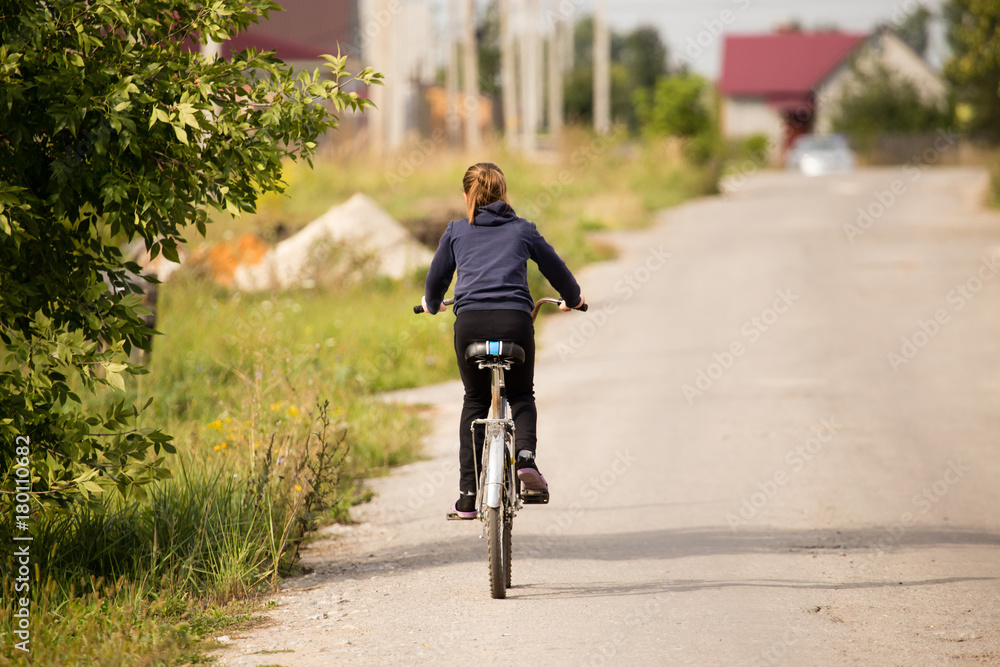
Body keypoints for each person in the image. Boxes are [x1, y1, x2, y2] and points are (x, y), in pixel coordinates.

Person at [420, 162, 585, 519]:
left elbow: (435, 284)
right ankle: (525, 457)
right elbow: (557, 270)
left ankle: (467, 494)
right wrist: (573, 298)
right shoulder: (523, 230)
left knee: (475, 399)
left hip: (471, 325)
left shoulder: (456, 232)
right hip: (515, 323)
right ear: (504, 194)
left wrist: (431, 305)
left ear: (467, 196)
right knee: (522, 393)